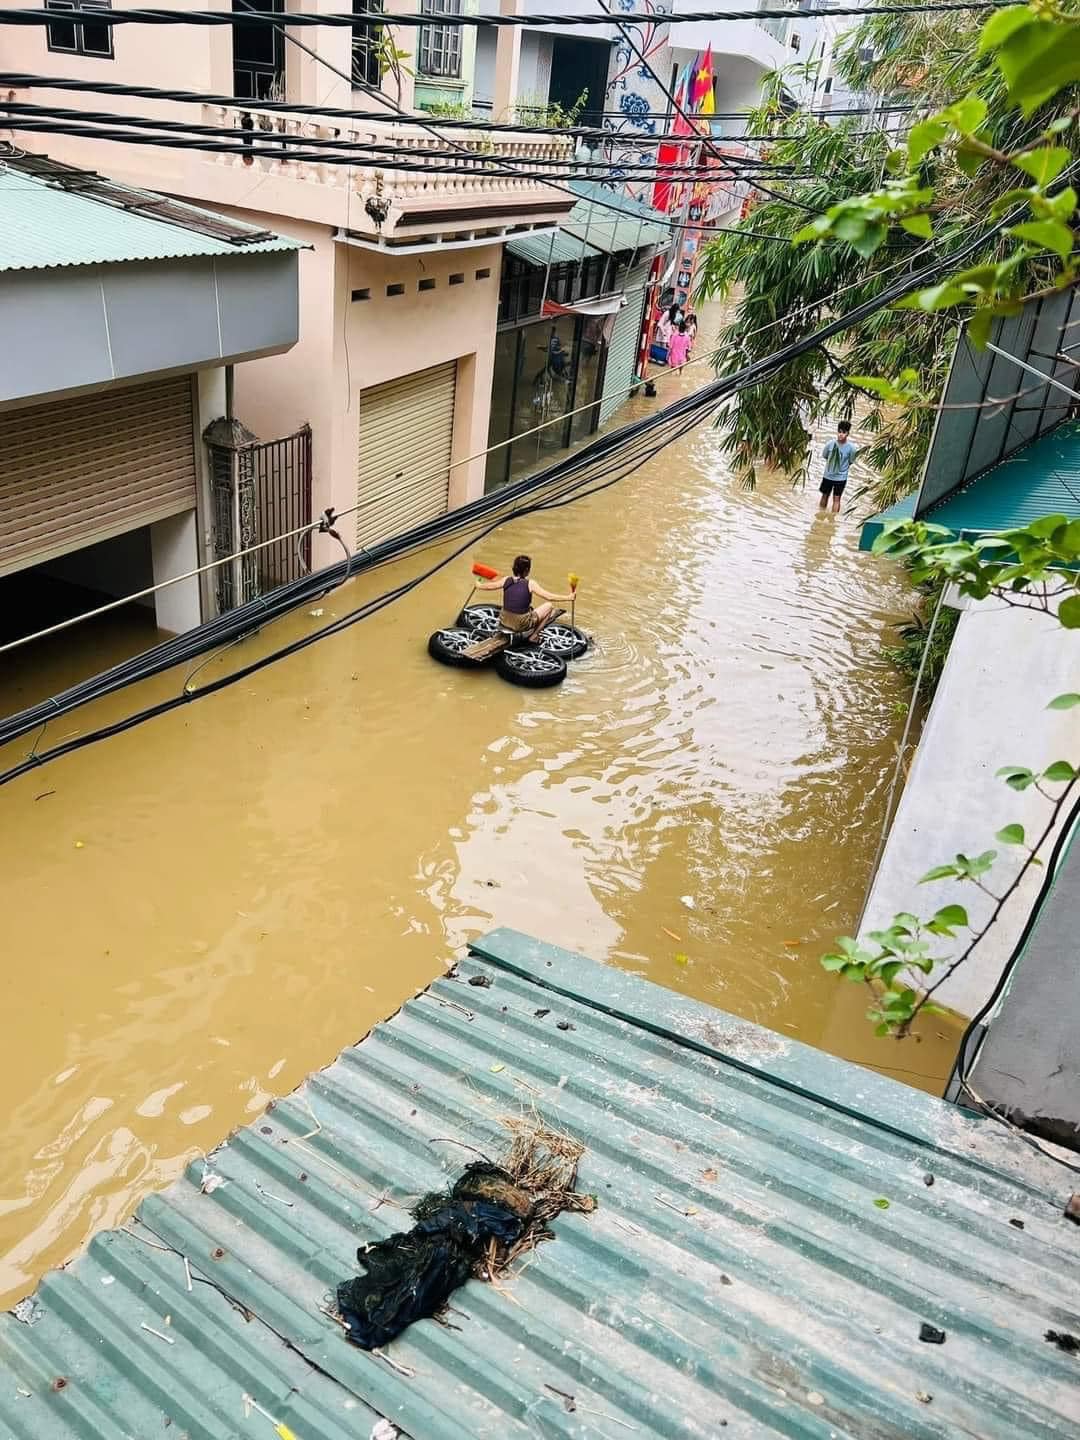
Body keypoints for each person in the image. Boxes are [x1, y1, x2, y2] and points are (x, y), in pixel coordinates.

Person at [475, 555, 574, 637]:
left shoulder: (506, 580)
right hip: (520, 624)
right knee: (549, 606)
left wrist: (478, 585)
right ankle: (534, 635)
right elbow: (549, 597)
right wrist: (568, 598)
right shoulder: (530, 583)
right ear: (527, 570)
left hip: (504, 620)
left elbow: (489, 587)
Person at [819, 420, 858, 515]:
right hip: (828, 475)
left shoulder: (851, 448)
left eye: (844, 432)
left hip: (841, 478)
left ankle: (833, 519)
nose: (841, 434)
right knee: (824, 496)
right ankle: (820, 515)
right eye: (839, 431)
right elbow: (825, 455)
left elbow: (851, 460)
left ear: (848, 434)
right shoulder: (830, 444)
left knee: (837, 499)